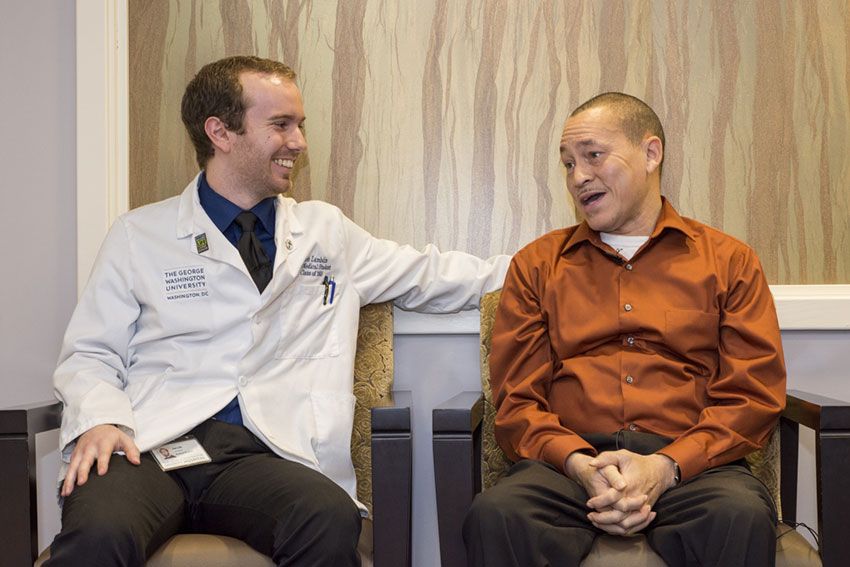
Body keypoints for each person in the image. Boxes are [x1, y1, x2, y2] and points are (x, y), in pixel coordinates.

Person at [49, 55, 508, 567]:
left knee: (327, 518)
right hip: (154, 446)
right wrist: (100, 420)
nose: (299, 142)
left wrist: (550, 266)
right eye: (281, 125)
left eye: (300, 125)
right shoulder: (139, 236)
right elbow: (90, 353)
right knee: (97, 532)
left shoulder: (326, 234)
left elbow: (433, 274)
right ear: (220, 132)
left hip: (266, 454)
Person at [463, 92, 785, 566]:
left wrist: (665, 467)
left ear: (651, 153)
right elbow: (517, 402)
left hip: (692, 469)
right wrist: (580, 465)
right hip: (568, 470)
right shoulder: (537, 265)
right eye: (568, 164)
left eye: (593, 155)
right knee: (497, 514)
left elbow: (752, 395)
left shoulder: (728, 261)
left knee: (738, 514)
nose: (578, 177)